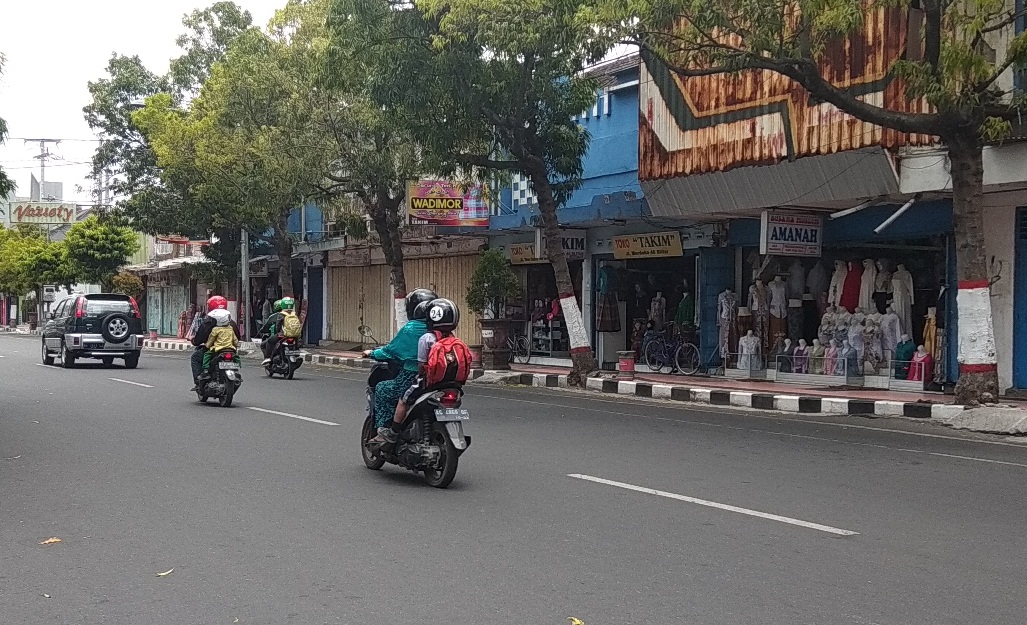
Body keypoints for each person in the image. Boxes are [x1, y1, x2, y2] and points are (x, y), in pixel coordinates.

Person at [371, 297, 462, 445]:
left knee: (393, 394)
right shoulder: (453, 339)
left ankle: (391, 432)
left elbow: (417, 363)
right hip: (450, 383)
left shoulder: (423, 336)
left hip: (423, 379)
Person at [363, 288, 437, 431]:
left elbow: (390, 352)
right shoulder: (440, 328)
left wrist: (371, 353)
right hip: (438, 379)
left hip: (412, 376)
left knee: (382, 389)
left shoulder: (412, 328)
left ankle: (385, 430)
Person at [190, 295, 240, 390]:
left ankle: (199, 381)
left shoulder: (208, 322)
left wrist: (195, 341)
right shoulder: (231, 323)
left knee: (195, 358)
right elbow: (237, 337)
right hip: (230, 349)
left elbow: (200, 339)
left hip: (214, 349)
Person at [201, 308, 240, 373]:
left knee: (206, 355)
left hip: (218, 348)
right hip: (230, 348)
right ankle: (237, 369)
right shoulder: (230, 328)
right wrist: (237, 345)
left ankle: (205, 370)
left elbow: (211, 339)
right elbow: (235, 339)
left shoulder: (215, 329)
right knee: (236, 357)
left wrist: (206, 346)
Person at [260, 297, 294, 366]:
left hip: (283, 335)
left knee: (269, 342)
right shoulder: (293, 314)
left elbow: (277, 326)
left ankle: (268, 358)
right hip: (294, 335)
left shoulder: (280, 314)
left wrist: (278, 332)